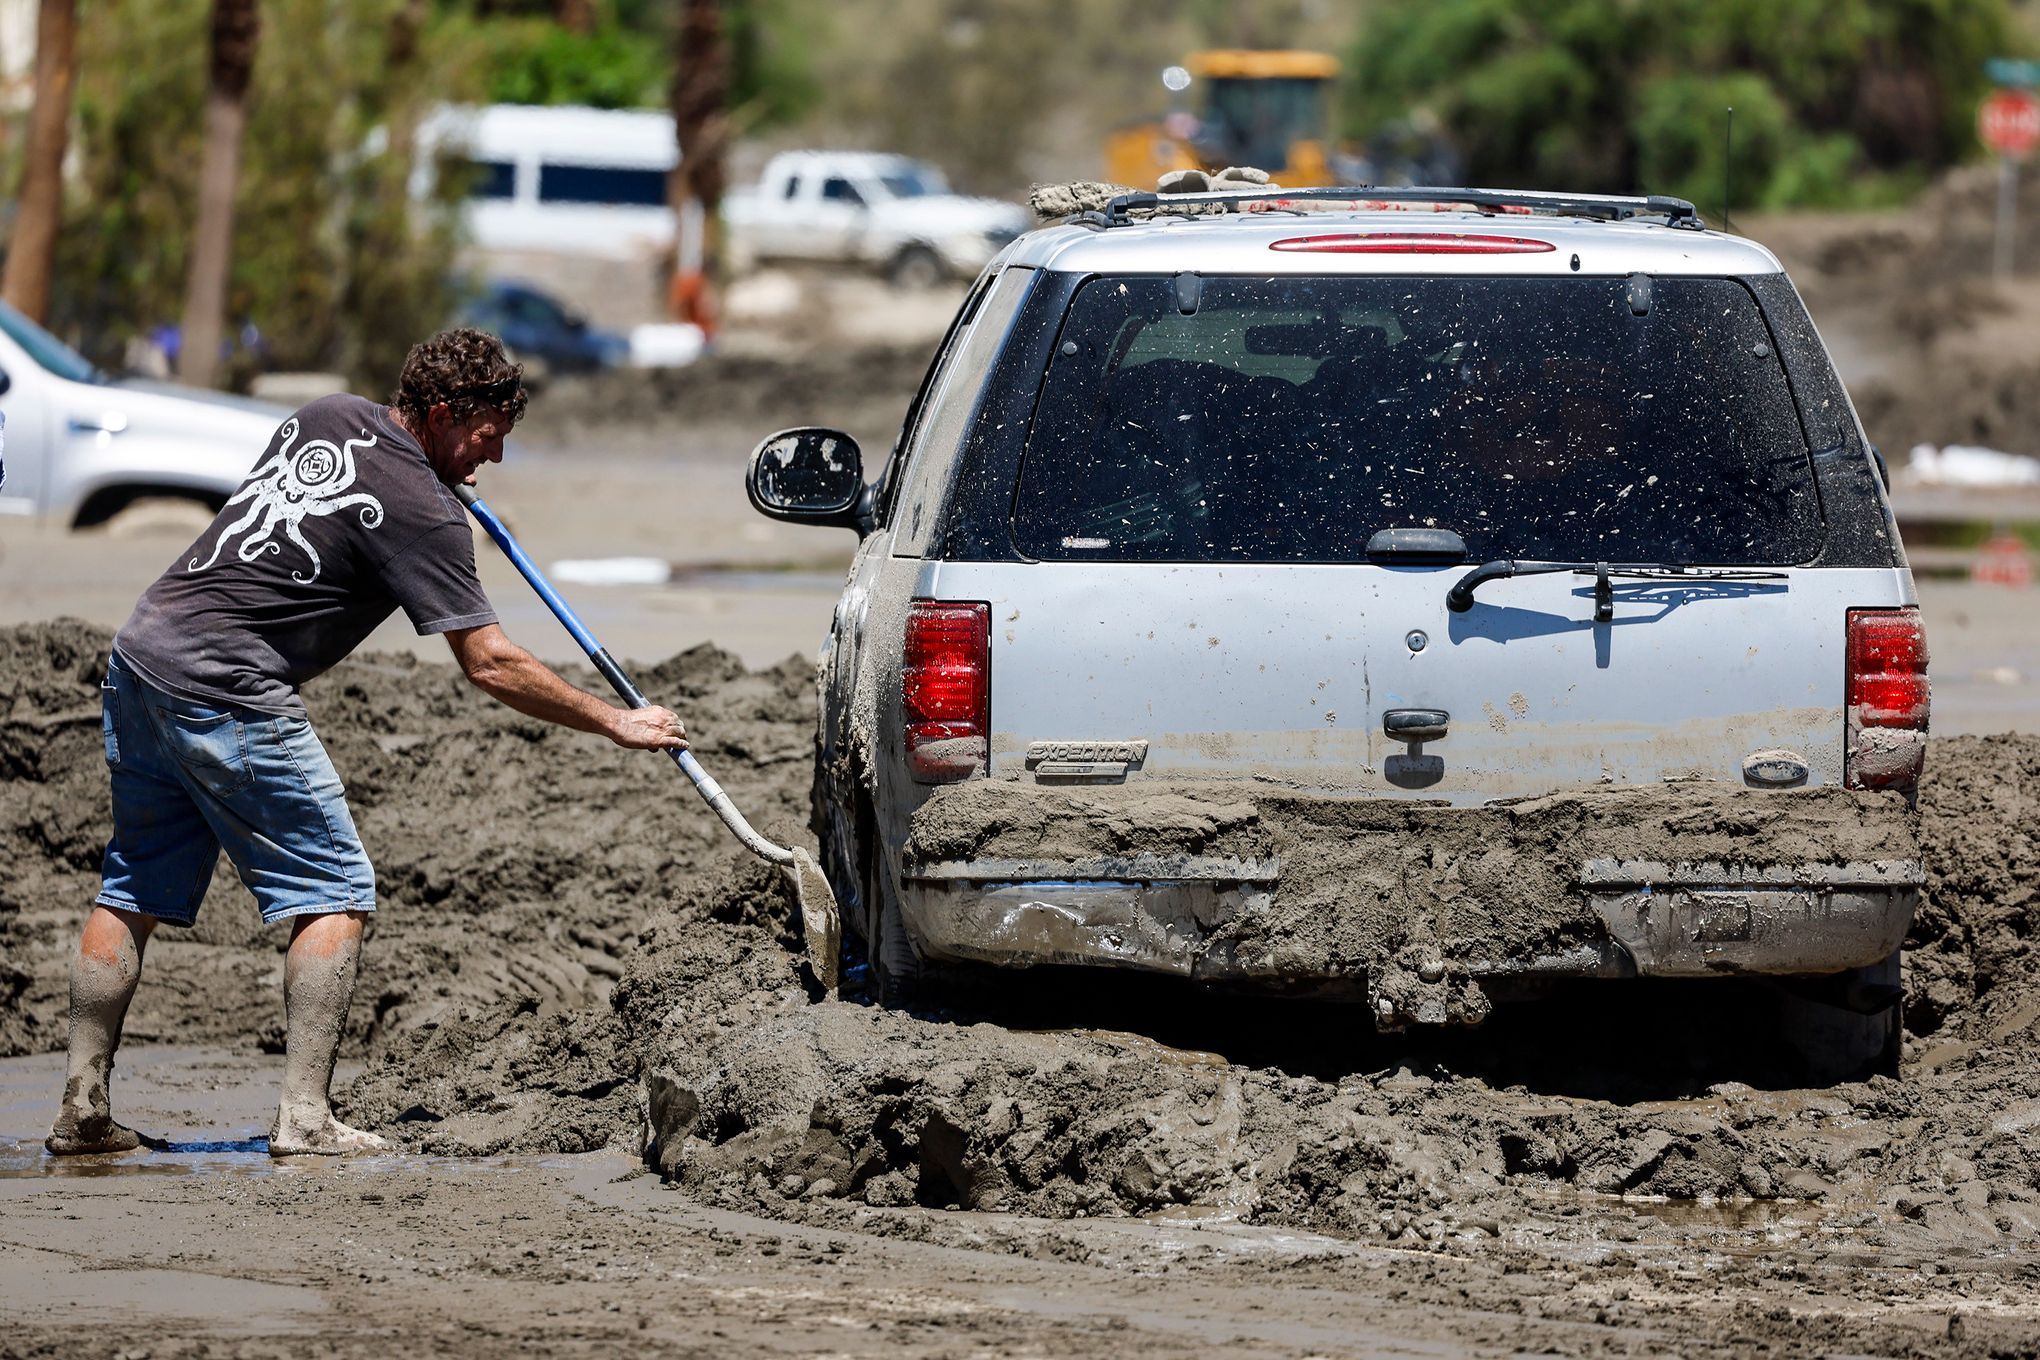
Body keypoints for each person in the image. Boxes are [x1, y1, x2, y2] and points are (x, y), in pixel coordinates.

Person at [45, 328, 688, 1158]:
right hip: (228, 688)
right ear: (448, 414)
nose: (489, 462)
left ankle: (81, 1108)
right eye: (487, 440)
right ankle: (305, 1119)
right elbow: (489, 661)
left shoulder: (328, 413)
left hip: (142, 656)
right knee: (335, 889)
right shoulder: (426, 514)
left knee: (132, 886)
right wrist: (617, 720)